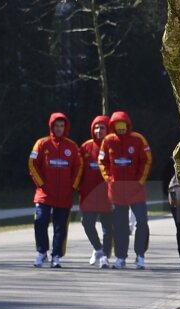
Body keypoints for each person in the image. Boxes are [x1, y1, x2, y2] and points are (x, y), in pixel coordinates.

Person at [98, 110, 152, 269]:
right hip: (116, 192)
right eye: (118, 128)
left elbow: (146, 161)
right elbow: (102, 162)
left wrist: (140, 181)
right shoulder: (108, 141)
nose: (121, 130)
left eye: (123, 127)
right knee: (120, 225)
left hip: (136, 191)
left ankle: (140, 255)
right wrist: (109, 179)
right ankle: (120, 257)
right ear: (113, 127)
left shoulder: (138, 140)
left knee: (142, 223)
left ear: (128, 126)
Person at [28, 112, 83, 268]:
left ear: (65, 127)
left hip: (64, 196)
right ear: (51, 127)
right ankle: (41, 252)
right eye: (56, 126)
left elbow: (79, 167)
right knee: (40, 221)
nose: (59, 129)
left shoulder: (72, 147)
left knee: (60, 227)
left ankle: (56, 256)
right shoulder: (41, 144)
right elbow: (32, 164)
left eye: (62, 126)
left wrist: (73, 186)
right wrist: (41, 183)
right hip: (44, 194)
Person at [78, 115, 113, 268]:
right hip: (88, 195)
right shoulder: (85, 147)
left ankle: (105, 256)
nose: (99, 130)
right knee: (87, 223)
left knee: (107, 228)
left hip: (107, 195)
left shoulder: (113, 146)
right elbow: (78, 170)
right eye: (96, 128)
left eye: (102, 127)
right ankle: (97, 249)